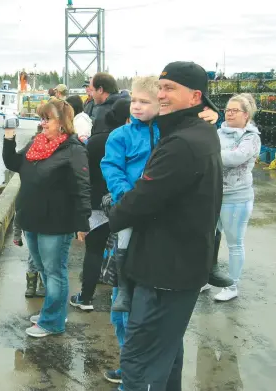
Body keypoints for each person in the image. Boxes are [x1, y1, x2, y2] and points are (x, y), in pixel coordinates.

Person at [107, 61, 223, 390]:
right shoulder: (197, 131)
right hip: (180, 266)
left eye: (170, 88)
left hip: (165, 271)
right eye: (160, 87)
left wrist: (110, 218)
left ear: (195, 96)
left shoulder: (182, 142)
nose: (161, 94)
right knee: (167, 353)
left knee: (139, 361)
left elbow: (143, 196)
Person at [3, 99, 91, 338]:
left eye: (47, 119)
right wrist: (9, 137)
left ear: (62, 123)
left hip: (56, 222)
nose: (42, 124)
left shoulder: (74, 149)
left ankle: (52, 322)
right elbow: (13, 163)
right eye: (41, 118)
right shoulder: (36, 143)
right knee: (43, 268)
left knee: (54, 272)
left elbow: (82, 187)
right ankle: (52, 312)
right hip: (32, 218)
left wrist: (83, 223)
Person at [69, 98, 132, 312]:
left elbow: (83, 176)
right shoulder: (135, 138)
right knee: (124, 249)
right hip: (126, 202)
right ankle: (123, 295)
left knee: (94, 250)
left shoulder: (96, 141)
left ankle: (85, 297)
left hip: (97, 203)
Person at [208, 93, 261, 301]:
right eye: (227, 110)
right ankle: (208, 277)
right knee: (209, 238)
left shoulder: (251, 137)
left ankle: (232, 285)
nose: (229, 113)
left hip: (236, 198)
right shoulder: (218, 132)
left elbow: (234, 158)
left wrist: (210, 152)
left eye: (234, 110)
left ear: (246, 115)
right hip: (214, 195)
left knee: (234, 243)